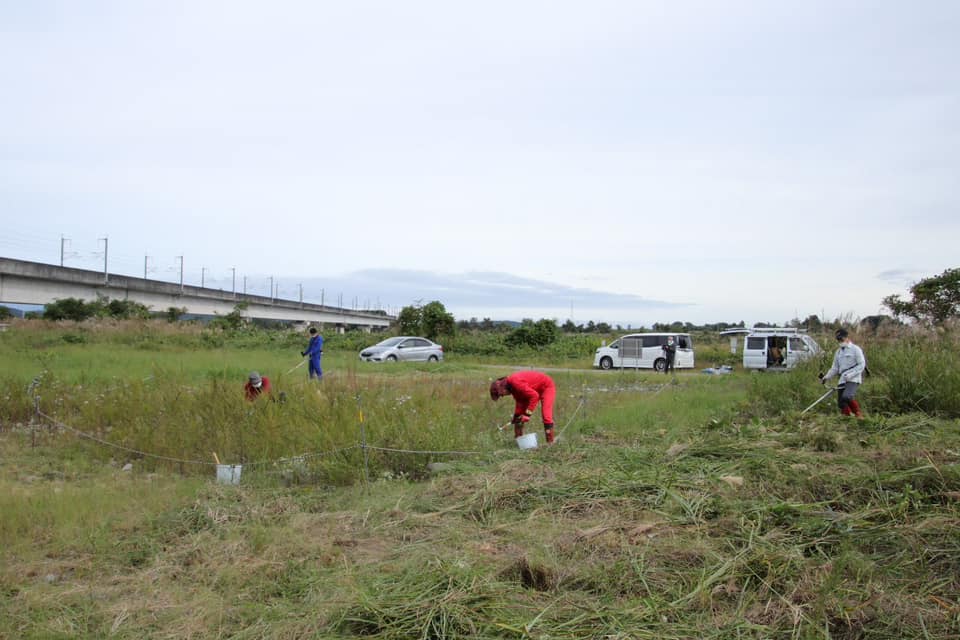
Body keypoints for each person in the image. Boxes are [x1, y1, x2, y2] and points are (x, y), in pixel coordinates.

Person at [489, 371, 557, 444]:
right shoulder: (512, 388)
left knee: (546, 416)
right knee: (518, 419)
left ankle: (550, 443)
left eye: (501, 394)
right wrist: (516, 417)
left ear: (502, 387)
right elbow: (520, 403)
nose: (502, 396)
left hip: (546, 387)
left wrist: (527, 415)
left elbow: (534, 396)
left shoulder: (515, 383)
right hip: (533, 389)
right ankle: (519, 441)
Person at [819, 328, 866, 418]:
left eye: (841, 339)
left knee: (847, 397)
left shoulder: (855, 349)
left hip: (853, 378)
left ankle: (858, 414)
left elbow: (862, 364)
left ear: (847, 337)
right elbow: (835, 368)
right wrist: (826, 377)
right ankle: (847, 418)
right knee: (841, 403)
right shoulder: (838, 352)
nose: (840, 341)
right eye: (838, 339)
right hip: (842, 378)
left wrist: (851, 375)